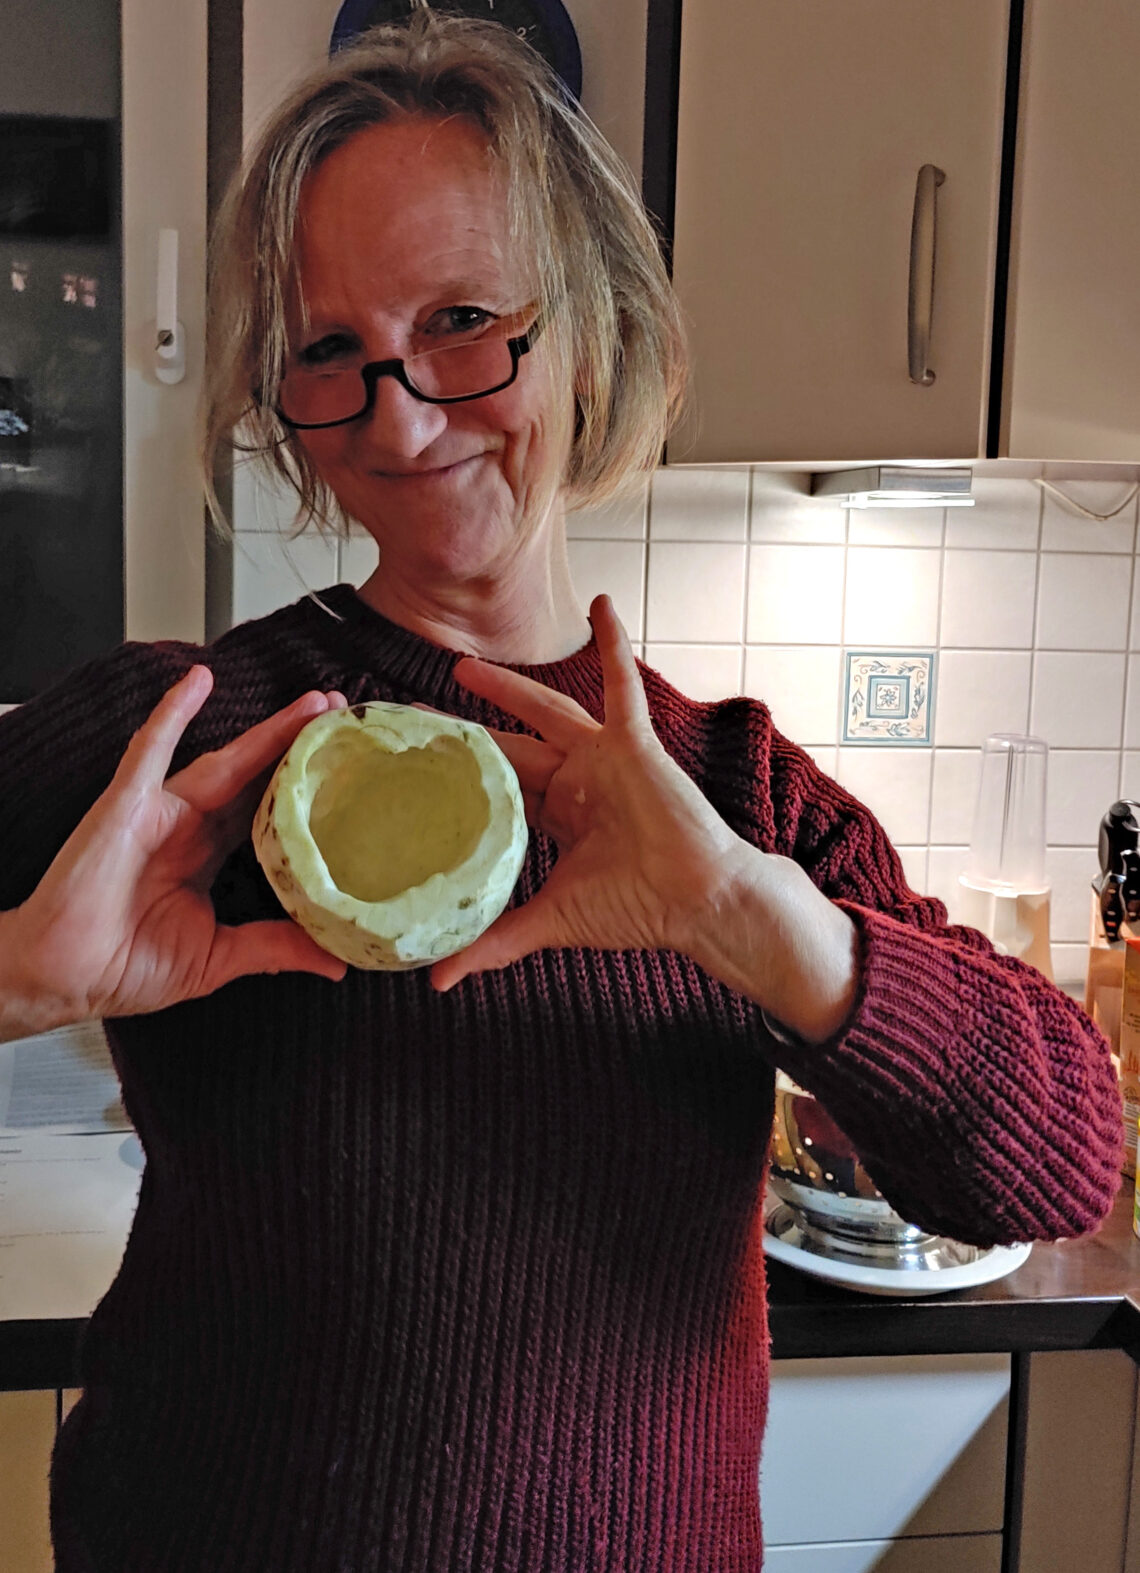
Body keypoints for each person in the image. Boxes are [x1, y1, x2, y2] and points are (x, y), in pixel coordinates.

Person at [0, 14, 1122, 1571]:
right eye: (334, 350)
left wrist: (742, 912)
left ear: (590, 330)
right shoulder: (190, 738)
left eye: (466, 320)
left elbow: (1058, 1164)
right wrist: (12, 979)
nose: (401, 417)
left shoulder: (731, 793)